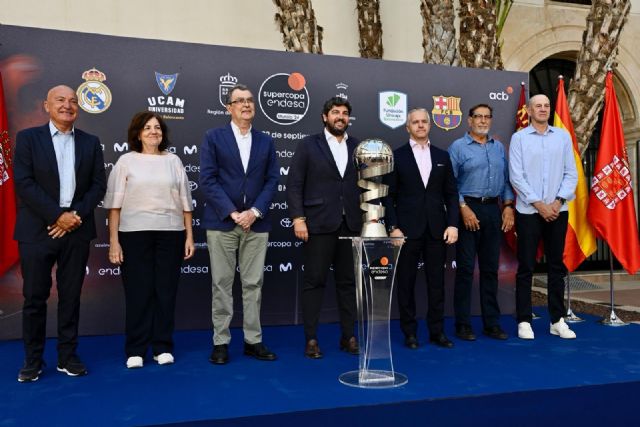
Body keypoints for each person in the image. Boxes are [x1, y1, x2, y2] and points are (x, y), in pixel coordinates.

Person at [13, 85, 106, 382]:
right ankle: (33, 360)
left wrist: (73, 216)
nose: (68, 105)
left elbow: (97, 186)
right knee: (34, 298)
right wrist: (57, 216)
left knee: (70, 297)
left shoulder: (91, 143)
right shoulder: (28, 139)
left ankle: (67, 356)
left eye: (73, 101)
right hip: (37, 230)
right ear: (46, 105)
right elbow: (24, 183)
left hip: (76, 230)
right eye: (60, 100)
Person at [103, 112, 194, 369]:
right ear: (138, 133)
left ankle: (162, 346)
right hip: (133, 235)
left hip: (171, 233)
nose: (153, 131)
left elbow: (186, 203)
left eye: (157, 127)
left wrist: (189, 235)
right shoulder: (126, 161)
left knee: (165, 293)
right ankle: (136, 349)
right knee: (138, 293)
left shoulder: (174, 161)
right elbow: (114, 206)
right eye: (147, 128)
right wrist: (113, 242)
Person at [200, 83, 279, 364]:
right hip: (223, 223)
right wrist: (234, 213)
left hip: (256, 224)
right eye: (239, 101)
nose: (246, 105)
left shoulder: (266, 141)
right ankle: (221, 342)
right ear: (228, 107)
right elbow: (207, 179)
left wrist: (254, 212)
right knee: (221, 283)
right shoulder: (213, 137)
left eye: (249, 100)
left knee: (253, 284)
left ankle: (252, 340)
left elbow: (272, 180)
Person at [287, 97, 362, 359]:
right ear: (324, 117)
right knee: (314, 282)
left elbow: (367, 185)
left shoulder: (358, 147)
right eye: (335, 112)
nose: (340, 117)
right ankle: (311, 339)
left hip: (351, 224)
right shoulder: (309, 145)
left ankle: (348, 336)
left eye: (344, 113)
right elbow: (294, 184)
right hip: (317, 224)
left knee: (348, 283)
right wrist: (298, 218)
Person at [383, 108, 459, 349]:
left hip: (437, 230)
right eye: (415, 122)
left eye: (424, 121)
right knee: (405, 283)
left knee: (437, 284)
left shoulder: (442, 156)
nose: (420, 125)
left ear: (430, 125)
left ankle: (437, 332)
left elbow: (451, 194)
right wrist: (393, 227)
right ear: (408, 127)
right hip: (406, 232)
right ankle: (410, 333)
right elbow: (388, 196)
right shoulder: (397, 156)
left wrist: (453, 224)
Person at [509, 94, 578, 340]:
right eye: (537, 105)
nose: (542, 109)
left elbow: (572, 173)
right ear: (529, 110)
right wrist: (539, 204)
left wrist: (557, 202)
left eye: (546, 105)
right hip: (529, 211)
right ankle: (524, 320)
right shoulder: (519, 138)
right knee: (526, 267)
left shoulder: (562, 136)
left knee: (556, 267)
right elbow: (516, 176)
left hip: (558, 211)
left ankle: (557, 320)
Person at [448, 104, 514, 341]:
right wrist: (463, 207)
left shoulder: (498, 149)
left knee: (490, 270)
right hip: (468, 209)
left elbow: (506, 181)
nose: (483, 121)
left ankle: (492, 324)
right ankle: (463, 325)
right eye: (478, 117)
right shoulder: (458, 147)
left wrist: (507, 207)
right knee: (465, 270)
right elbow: (449, 183)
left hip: (492, 210)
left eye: (487, 117)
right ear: (469, 120)